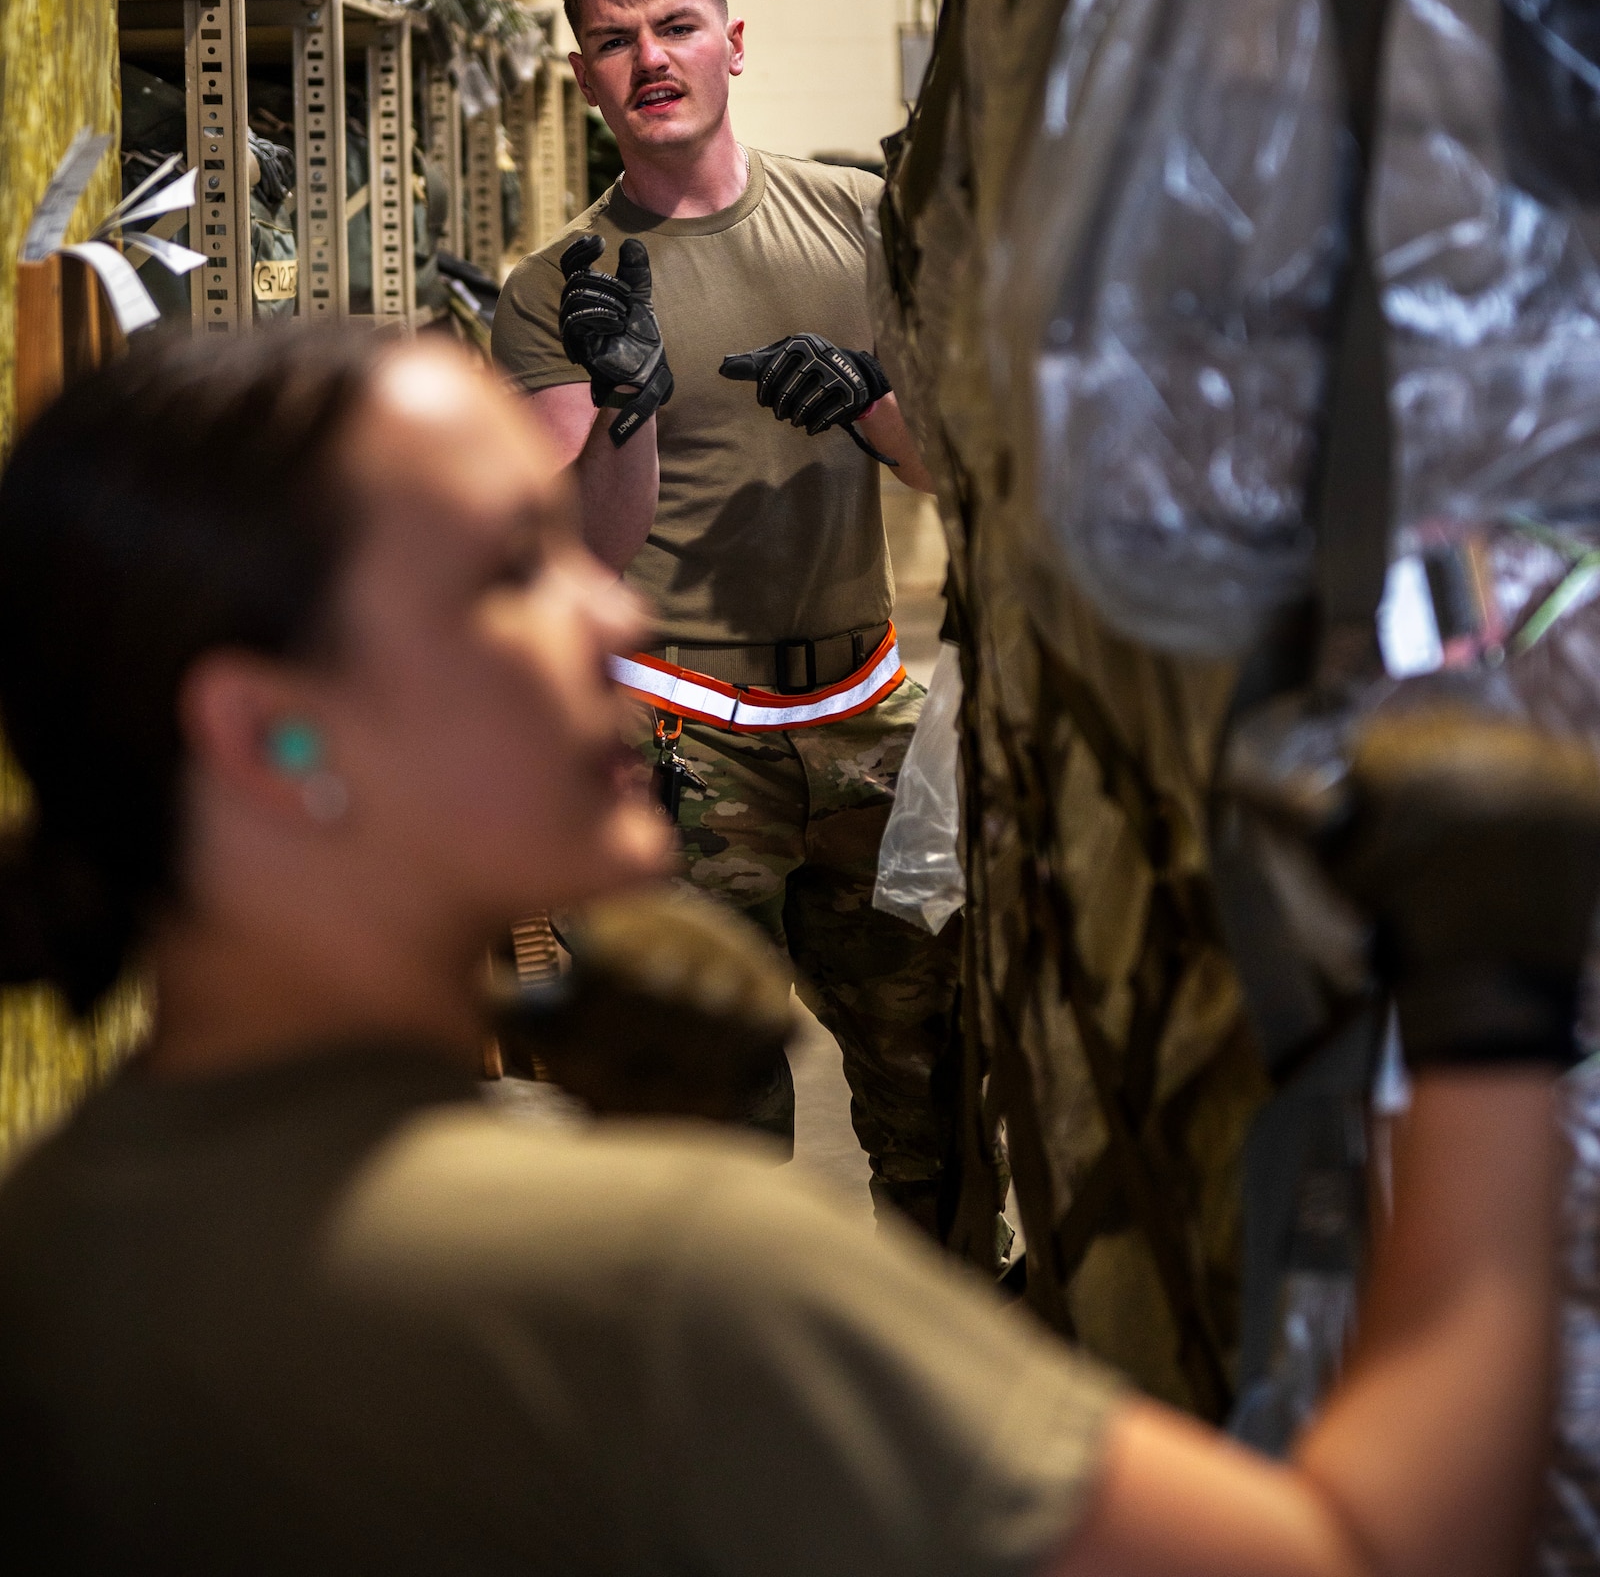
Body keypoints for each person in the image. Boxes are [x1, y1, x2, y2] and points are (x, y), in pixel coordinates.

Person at [0, 331, 1573, 1577]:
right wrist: (1483, 1013)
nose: (612, 605)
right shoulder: (664, 1283)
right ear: (267, 737)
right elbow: (1376, 1554)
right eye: (507, 573)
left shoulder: (59, 1230)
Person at [491, 0, 961, 1230]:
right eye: (614, 40)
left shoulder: (861, 220)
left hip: (866, 716)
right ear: (585, 76)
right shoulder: (555, 293)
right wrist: (625, 402)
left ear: (733, 43)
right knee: (703, 1140)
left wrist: (871, 401)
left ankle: (936, 1398)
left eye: (676, 25)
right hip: (678, 741)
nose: (651, 58)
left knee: (946, 1103)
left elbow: (948, 469)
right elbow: (585, 551)